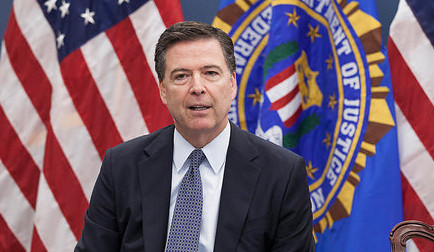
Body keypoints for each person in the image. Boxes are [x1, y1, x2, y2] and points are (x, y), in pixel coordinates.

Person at [75, 21, 314, 251]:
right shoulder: (121, 166)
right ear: (163, 90)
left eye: (210, 73)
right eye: (181, 76)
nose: (197, 87)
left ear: (232, 85)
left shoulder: (282, 174)